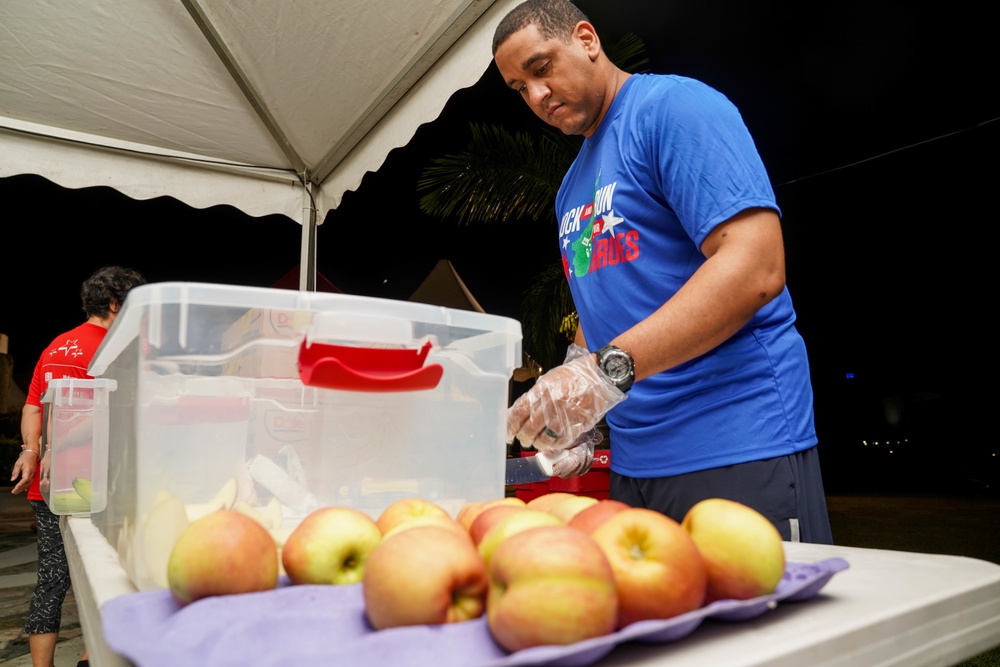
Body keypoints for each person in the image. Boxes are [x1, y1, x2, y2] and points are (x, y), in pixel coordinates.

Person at [495, 0, 833, 543]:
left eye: (541, 68)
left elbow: (756, 266)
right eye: (519, 88)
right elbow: (597, 298)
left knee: (764, 628)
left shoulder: (674, 108)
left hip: (737, 439)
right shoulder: (569, 189)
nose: (536, 96)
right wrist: (583, 411)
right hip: (635, 464)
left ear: (586, 39)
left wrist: (603, 375)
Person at [11, 265, 146, 667]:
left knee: (52, 580)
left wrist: (31, 451)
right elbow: (112, 414)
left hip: (49, 487)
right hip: (98, 487)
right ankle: (90, 659)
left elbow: (32, 404)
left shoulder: (57, 345)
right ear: (114, 304)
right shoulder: (116, 350)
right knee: (105, 575)